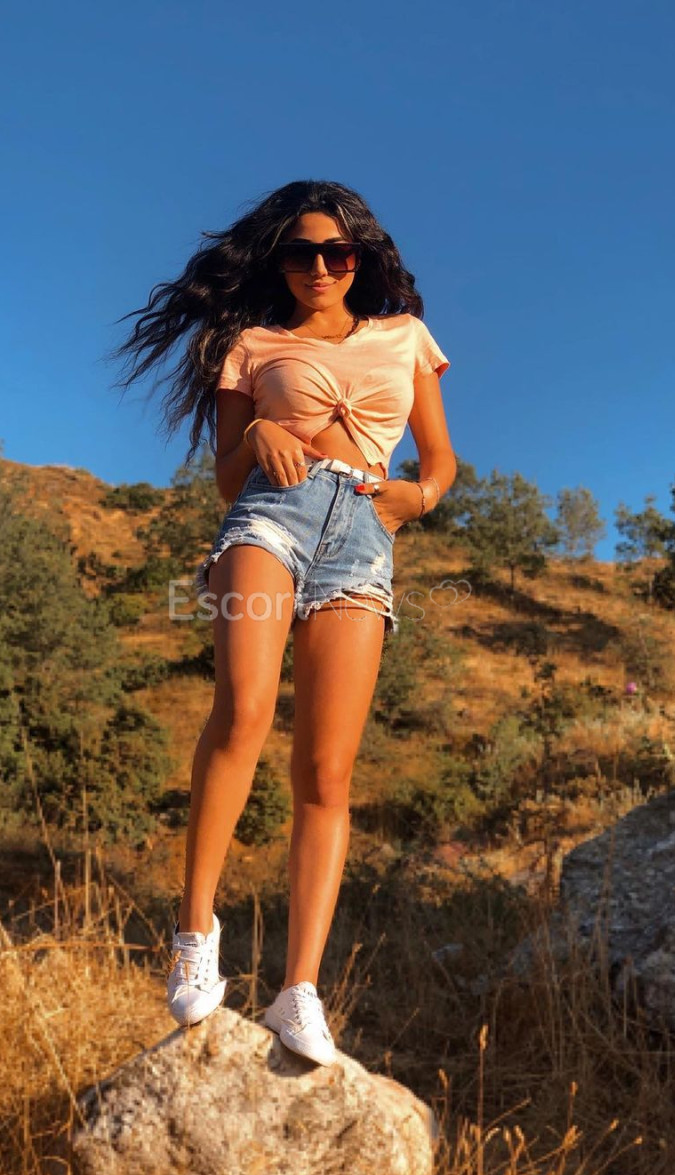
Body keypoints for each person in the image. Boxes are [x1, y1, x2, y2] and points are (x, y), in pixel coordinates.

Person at [110, 179, 456, 1065]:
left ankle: (299, 989)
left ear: (360, 258)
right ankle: (196, 931)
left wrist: (416, 498)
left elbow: (440, 459)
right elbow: (229, 475)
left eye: (336, 252)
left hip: (362, 538)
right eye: (301, 252)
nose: (318, 267)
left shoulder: (405, 336)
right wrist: (258, 436)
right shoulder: (251, 345)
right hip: (271, 518)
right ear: (281, 262)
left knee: (328, 771)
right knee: (245, 711)